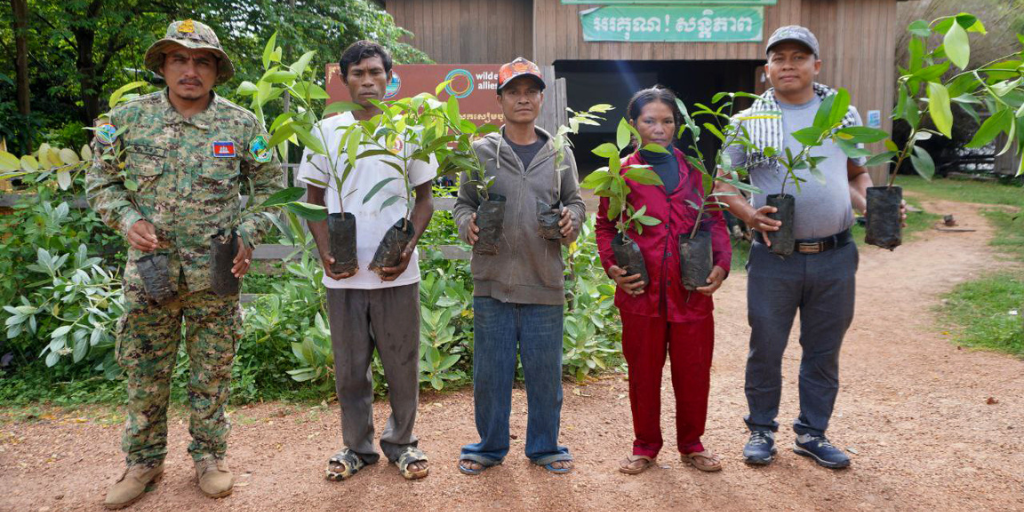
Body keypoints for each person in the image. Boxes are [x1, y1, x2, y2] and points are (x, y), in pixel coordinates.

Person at [87, 19, 283, 508]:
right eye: (179, 59)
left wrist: (249, 234)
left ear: (216, 71)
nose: (190, 70)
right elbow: (100, 183)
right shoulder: (127, 120)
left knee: (212, 372)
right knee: (144, 373)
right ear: (162, 66)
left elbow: (273, 191)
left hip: (216, 273)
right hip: (150, 275)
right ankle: (143, 462)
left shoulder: (242, 125)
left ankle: (211, 457)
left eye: (201, 61)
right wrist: (127, 218)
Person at [715, 25, 896, 469]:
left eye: (798, 57)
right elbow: (723, 186)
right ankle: (761, 428)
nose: (788, 65)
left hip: (836, 255)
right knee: (767, 345)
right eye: (779, 59)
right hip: (775, 257)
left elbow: (856, 175)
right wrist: (748, 214)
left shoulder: (842, 116)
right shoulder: (747, 123)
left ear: (816, 65)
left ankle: (813, 433)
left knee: (823, 349)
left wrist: (872, 208)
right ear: (767, 70)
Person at [298, 40, 434, 481]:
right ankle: (357, 447)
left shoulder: (409, 129)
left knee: (402, 366)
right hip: (344, 274)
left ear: (389, 78)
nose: (368, 80)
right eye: (358, 73)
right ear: (344, 79)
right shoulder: (326, 131)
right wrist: (324, 251)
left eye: (376, 72)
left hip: (397, 273)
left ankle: (403, 444)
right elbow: (312, 199)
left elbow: (425, 201)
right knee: (351, 370)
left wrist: (407, 248)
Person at [453, 57, 585, 475]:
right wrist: (467, 225)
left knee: (545, 373)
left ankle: (545, 446)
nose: (523, 98)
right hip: (492, 281)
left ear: (542, 99)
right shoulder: (481, 153)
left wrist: (572, 220)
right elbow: (463, 204)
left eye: (530, 91)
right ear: (500, 100)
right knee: (490, 374)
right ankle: (489, 447)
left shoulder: (559, 152)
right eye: (514, 91)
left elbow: (576, 202)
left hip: (544, 280)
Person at [595, 86, 732, 475]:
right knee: (642, 373)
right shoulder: (620, 173)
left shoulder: (695, 172)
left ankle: (692, 443)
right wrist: (612, 267)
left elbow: (715, 220)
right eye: (649, 120)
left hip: (691, 293)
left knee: (693, 372)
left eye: (667, 120)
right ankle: (645, 446)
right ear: (633, 124)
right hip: (641, 292)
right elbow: (605, 224)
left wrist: (721, 264)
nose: (659, 128)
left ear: (678, 124)